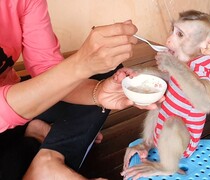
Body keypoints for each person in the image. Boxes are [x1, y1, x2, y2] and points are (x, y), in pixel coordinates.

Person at [0, 0, 159, 179]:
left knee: (106, 73)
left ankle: (48, 159)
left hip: (18, 98)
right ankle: (36, 140)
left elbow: (46, 68)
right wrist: (80, 65)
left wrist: (99, 91)